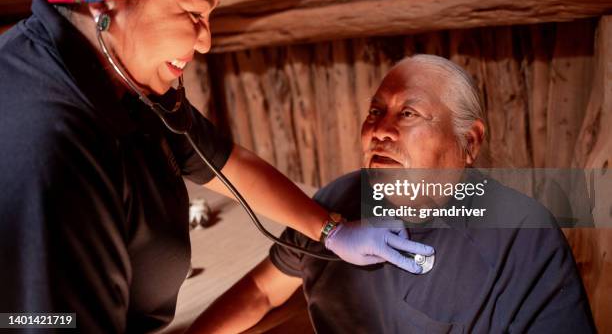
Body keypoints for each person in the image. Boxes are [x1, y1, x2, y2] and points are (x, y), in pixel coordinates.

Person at [0, 0, 432, 332]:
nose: (205, 42)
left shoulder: (128, 78)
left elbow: (221, 160)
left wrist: (331, 230)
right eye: (193, 13)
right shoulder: (48, 147)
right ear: (105, 0)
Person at [188, 55, 596, 333]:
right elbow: (261, 292)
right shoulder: (338, 204)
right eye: (375, 112)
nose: (381, 129)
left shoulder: (521, 233)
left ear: (469, 141)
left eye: (409, 114)